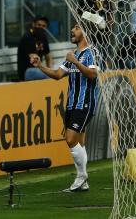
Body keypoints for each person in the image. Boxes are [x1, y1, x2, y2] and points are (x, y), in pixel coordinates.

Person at [30, 23, 100, 192]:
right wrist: (39, 65)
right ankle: (83, 181)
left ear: (85, 32)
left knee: (70, 139)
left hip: (85, 102)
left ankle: (81, 176)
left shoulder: (92, 52)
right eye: (73, 27)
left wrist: (75, 62)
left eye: (76, 28)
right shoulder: (73, 54)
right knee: (79, 143)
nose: (72, 30)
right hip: (71, 104)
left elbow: (92, 75)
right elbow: (57, 75)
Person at [17, 16, 52, 81]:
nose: (41, 27)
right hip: (27, 71)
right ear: (33, 24)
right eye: (39, 25)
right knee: (49, 74)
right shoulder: (28, 37)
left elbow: (48, 57)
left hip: (39, 69)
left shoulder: (43, 37)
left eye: (43, 26)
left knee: (63, 70)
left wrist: (50, 68)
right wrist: (49, 71)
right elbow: (34, 60)